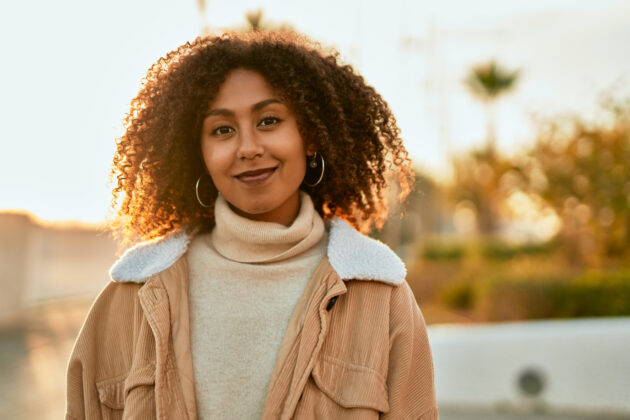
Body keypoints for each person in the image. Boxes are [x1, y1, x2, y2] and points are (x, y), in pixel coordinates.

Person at [66, 30, 438, 420]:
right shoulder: (131, 297)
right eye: (222, 130)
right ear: (199, 154)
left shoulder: (380, 298)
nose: (248, 148)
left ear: (309, 136)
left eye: (269, 120)